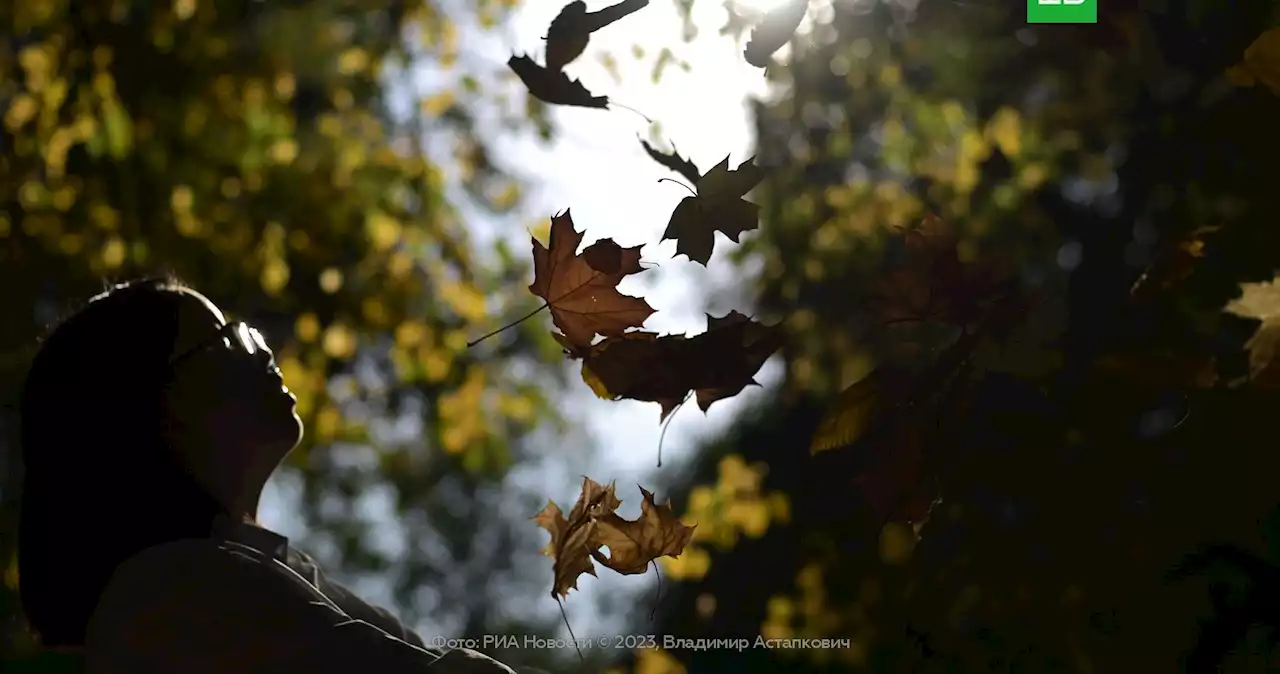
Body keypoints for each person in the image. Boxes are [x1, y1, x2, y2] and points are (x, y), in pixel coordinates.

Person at [17, 276, 538, 673]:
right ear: (160, 403)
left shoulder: (259, 573)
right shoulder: (169, 596)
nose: (265, 351)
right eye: (228, 339)